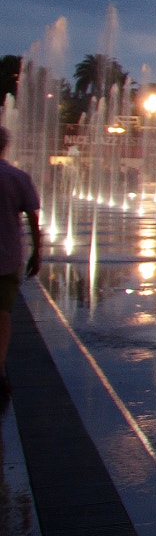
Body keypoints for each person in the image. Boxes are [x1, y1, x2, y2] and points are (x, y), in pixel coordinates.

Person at [0, 126, 44, 389]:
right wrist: (37, 253)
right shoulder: (17, 177)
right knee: (3, 314)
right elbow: (32, 218)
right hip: (7, 256)